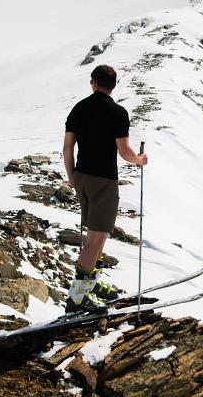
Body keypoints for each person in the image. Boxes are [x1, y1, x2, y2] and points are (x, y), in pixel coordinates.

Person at [62, 63, 148, 310]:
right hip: (104, 180)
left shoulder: (79, 108)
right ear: (113, 86)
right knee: (97, 238)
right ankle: (77, 297)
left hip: (81, 177)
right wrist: (140, 160)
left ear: (94, 83)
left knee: (95, 234)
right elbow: (124, 152)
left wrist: (72, 177)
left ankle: (91, 284)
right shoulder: (118, 113)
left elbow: (68, 147)